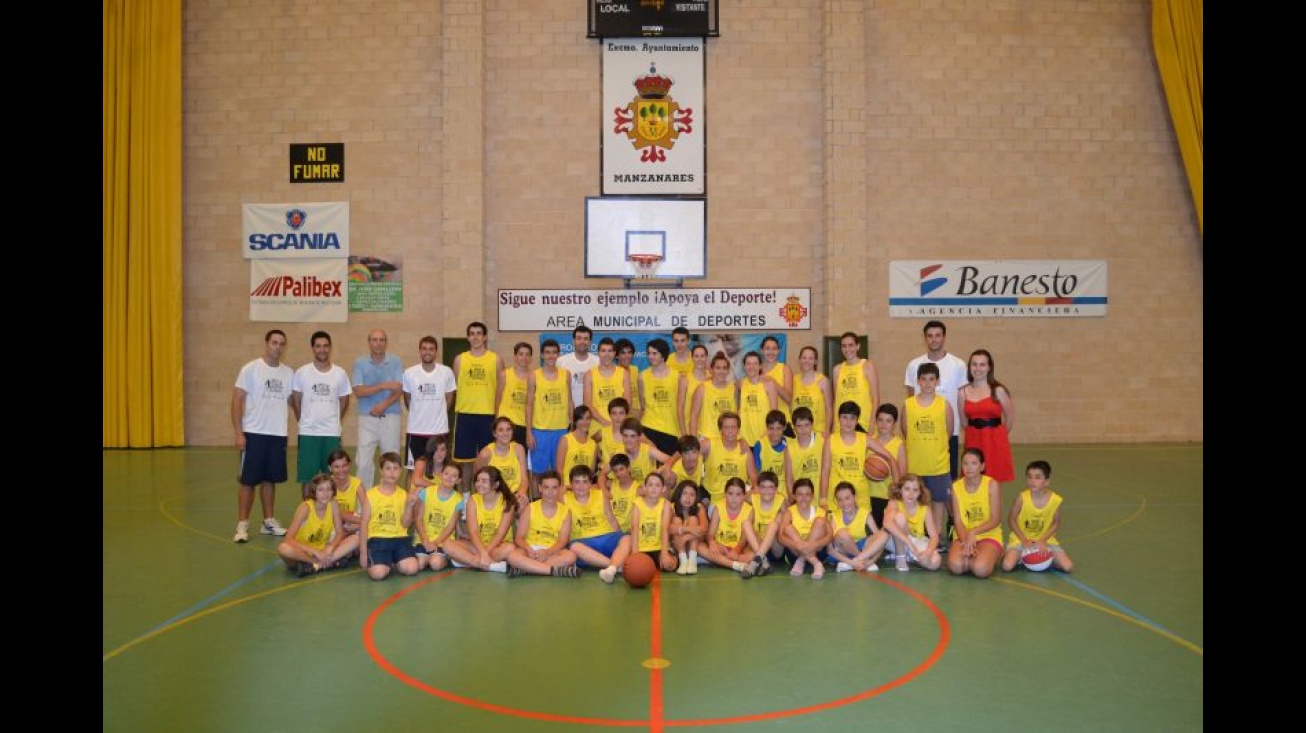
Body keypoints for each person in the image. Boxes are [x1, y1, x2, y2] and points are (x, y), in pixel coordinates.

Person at [231, 329, 294, 542]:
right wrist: (239, 433)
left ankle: (268, 521)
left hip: (277, 434)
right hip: (254, 433)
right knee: (248, 481)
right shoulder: (251, 369)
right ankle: (242, 525)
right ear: (266, 343)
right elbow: (237, 399)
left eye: (282, 343)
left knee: (270, 480)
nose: (278, 346)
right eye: (274, 342)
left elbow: (294, 402)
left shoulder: (288, 373)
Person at [903, 321, 968, 479]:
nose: (934, 339)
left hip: (948, 434)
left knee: (948, 482)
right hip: (920, 435)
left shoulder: (958, 365)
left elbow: (962, 399)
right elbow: (910, 399)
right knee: (918, 484)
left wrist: (964, 426)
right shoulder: (913, 365)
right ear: (925, 338)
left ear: (944, 337)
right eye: (930, 336)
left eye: (938, 335)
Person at [290, 330, 352, 489]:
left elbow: (344, 399)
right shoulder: (302, 372)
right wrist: (302, 420)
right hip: (308, 433)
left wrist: (336, 420)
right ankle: (308, 512)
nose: (322, 349)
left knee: (333, 477)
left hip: (331, 432)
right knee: (307, 479)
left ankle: (332, 514)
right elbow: (296, 399)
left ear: (330, 348)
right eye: (318, 346)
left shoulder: (340, 373)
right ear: (313, 348)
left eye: (325, 346)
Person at [904, 362, 956, 549]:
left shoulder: (944, 405)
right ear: (918, 381)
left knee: (938, 501)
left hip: (938, 464)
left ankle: (936, 535)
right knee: (915, 501)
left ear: (937, 381)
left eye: (931, 379)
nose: (927, 383)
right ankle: (917, 535)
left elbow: (948, 431)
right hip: (916, 465)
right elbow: (905, 431)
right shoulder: (908, 405)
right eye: (923, 379)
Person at [451, 322, 505, 488]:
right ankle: (467, 497)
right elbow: (453, 388)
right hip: (465, 415)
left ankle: (487, 494)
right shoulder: (460, 359)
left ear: (485, 337)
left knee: (488, 459)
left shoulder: (496, 359)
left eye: (479, 333)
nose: (475, 337)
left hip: (487, 416)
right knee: (465, 461)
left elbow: (501, 389)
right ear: (468, 337)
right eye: (472, 333)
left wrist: (498, 416)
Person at [352, 329, 405, 491]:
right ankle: (363, 506)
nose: (378, 343)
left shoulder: (396, 362)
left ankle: (388, 501)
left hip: (390, 417)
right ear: (369, 343)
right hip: (366, 419)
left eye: (382, 340)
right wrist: (383, 385)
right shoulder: (359, 363)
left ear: (386, 342)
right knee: (363, 463)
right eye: (374, 340)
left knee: (391, 463)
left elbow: (398, 388)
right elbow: (359, 391)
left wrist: (384, 404)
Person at [822, 401, 897, 513]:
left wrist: (896, 492)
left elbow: (890, 458)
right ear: (838, 419)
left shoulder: (865, 439)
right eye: (844, 417)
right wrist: (823, 499)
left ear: (857, 420)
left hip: (860, 499)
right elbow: (825, 471)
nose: (848, 422)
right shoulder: (830, 440)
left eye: (852, 418)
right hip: (837, 499)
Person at [357, 452, 422, 580]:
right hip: (378, 540)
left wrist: (409, 506)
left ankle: (393, 560)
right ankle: (385, 562)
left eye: (395, 468)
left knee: (412, 569)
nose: (392, 473)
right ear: (381, 471)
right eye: (388, 468)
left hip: (400, 539)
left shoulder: (403, 495)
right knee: (378, 574)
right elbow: (363, 524)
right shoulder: (371, 495)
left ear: (400, 471)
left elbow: (405, 524)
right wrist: (363, 552)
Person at [505, 470, 582, 578]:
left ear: (559, 489)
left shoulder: (566, 511)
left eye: (554, 488)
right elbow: (519, 538)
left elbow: (562, 541)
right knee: (512, 556)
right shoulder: (530, 508)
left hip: (551, 551)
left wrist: (547, 552)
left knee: (571, 556)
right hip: (530, 550)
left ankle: (526, 569)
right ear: (540, 488)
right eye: (546, 487)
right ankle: (554, 571)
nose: (550, 492)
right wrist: (528, 549)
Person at [278, 472, 356, 576]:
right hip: (303, 552)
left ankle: (315, 566)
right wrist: (315, 552)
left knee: (356, 539)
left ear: (333, 491)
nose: (325, 493)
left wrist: (331, 547)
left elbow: (339, 533)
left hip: (323, 550)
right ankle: (321, 562)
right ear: (314, 491)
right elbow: (288, 539)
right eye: (321, 489)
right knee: (283, 549)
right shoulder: (305, 508)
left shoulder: (333, 504)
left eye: (329, 489)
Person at [1001, 460, 1073, 572]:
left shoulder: (1055, 500)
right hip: (1021, 539)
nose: (1032, 481)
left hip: (1046, 540)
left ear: (1047, 481)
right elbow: (1011, 519)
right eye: (1029, 477)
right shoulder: (1021, 498)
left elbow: (1056, 523)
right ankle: (1013, 553)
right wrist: (1024, 540)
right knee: (1007, 566)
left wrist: (1043, 540)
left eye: (1037, 477)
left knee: (1068, 567)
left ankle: (1046, 556)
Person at [441, 465, 515, 574]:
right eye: (478, 480)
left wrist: (486, 552)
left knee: (509, 548)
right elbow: (473, 532)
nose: (479, 484)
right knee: (447, 544)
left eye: (484, 481)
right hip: (477, 545)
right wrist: (482, 552)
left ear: (495, 484)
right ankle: (491, 566)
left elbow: (500, 534)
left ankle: (466, 560)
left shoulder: (507, 502)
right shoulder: (473, 500)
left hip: (498, 545)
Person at [564, 465, 632, 584]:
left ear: (591, 483)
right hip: (584, 543)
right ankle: (614, 566)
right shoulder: (564, 498)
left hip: (607, 537)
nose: (581, 486)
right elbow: (554, 488)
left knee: (627, 538)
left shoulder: (600, 495)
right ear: (571, 484)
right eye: (577, 482)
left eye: (585, 482)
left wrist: (620, 536)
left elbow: (611, 519)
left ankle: (611, 569)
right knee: (573, 547)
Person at [958, 349, 1016, 483]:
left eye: (982, 364)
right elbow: (963, 422)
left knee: (994, 482)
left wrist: (998, 435)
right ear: (969, 367)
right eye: (974, 364)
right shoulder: (962, 392)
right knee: (972, 481)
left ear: (989, 367)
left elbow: (1010, 418)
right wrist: (975, 432)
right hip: (973, 440)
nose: (978, 368)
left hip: (994, 441)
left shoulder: (999, 390)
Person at [947, 448, 1003, 579]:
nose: (969, 467)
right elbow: (958, 521)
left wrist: (974, 532)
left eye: (974, 463)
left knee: (980, 569)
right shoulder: (956, 486)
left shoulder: (991, 484)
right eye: (965, 463)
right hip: (963, 535)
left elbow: (995, 519)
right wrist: (966, 542)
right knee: (956, 567)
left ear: (982, 466)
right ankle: (975, 557)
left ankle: (994, 552)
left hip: (988, 534)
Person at [402, 335, 456, 470]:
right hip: (416, 431)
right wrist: (419, 412)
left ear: (436, 351)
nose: (427, 352)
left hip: (439, 431)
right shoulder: (409, 373)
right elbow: (408, 399)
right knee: (413, 470)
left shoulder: (446, 372)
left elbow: (449, 398)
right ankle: (412, 493)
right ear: (420, 351)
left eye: (431, 349)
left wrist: (439, 412)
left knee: (440, 469)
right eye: (424, 348)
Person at [525, 338, 572, 489]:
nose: (551, 356)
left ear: (558, 354)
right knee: (538, 473)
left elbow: (570, 400)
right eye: (547, 352)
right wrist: (529, 432)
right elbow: (529, 404)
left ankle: (558, 504)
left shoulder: (566, 374)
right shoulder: (534, 375)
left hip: (561, 430)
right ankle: (536, 504)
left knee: (560, 471)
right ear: (542, 355)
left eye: (554, 352)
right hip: (540, 431)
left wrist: (573, 425)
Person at [699, 477, 760, 578]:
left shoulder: (749, 510)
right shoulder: (718, 508)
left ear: (744, 496)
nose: (734, 498)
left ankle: (719, 561)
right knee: (699, 547)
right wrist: (712, 542)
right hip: (721, 548)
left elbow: (744, 539)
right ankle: (735, 565)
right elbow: (710, 534)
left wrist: (737, 550)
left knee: (753, 555)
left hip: (739, 549)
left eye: (738, 494)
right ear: (725, 494)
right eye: (730, 494)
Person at [882, 473, 943, 572]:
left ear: (920, 493)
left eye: (915, 490)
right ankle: (900, 557)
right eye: (907, 489)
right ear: (900, 490)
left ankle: (909, 556)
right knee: (899, 518)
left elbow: (934, 536)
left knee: (935, 563)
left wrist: (928, 552)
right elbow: (887, 523)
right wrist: (908, 543)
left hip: (916, 540)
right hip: (894, 540)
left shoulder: (925, 509)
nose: (911, 494)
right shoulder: (894, 503)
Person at [411, 462, 465, 572]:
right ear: (441, 475)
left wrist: (435, 543)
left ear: (459, 480)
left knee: (435, 564)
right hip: (423, 539)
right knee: (419, 564)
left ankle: (447, 559)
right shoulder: (427, 492)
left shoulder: (458, 499)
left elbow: (450, 527)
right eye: (446, 474)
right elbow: (418, 518)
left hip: (443, 541)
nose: (449, 478)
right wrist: (425, 540)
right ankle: (427, 557)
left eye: (454, 476)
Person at [825, 481, 886, 572]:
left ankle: (856, 563)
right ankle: (857, 562)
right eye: (840, 500)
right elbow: (829, 550)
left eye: (847, 498)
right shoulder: (833, 516)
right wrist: (854, 563)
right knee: (843, 533)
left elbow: (880, 544)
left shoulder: (865, 513)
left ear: (855, 497)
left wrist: (872, 561)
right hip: (841, 554)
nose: (844, 503)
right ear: (836, 502)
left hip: (862, 551)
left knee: (883, 534)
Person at [639, 338, 685, 456]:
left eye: (655, 353)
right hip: (648, 427)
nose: (651, 357)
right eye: (649, 353)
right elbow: (643, 404)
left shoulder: (677, 377)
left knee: (668, 470)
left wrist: (683, 432)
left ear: (663, 354)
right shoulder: (642, 376)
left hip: (671, 430)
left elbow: (680, 407)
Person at [699, 411, 757, 506]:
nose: (730, 430)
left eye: (733, 427)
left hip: (739, 500)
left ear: (738, 430)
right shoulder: (708, 445)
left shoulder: (745, 450)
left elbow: (754, 479)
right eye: (726, 427)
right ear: (720, 430)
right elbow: (687, 450)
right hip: (715, 500)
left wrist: (753, 491)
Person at [778, 478, 831, 579]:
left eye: (807, 494)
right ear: (794, 496)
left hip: (818, 552)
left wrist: (814, 545)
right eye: (800, 494)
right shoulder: (789, 512)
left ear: (812, 496)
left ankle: (802, 559)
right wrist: (799, 546)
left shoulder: (820, 511)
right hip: (795, 554)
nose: (804, 498)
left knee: (820, 521)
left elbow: (829, 535)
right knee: (787, 528)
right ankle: (816, 563)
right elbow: (780, 537)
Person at [473, 416, 530, 504]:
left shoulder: (519, 449)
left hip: (514, 494)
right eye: (501, 430)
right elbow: (477, 479)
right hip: (494, 494)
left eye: (508, 429)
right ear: (494, 433)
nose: (505, 433)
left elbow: (524, 478)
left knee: (523, 502)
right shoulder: (486, 454)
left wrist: (522, 492)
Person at [868, 403, 907, 529]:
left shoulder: (899, 444)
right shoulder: (869, 441)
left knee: (886, 532)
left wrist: (896, 498)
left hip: (888, 497)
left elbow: (902, 476)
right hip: (868, 496)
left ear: (894, 423)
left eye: (888, 421)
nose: (884, 424)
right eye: (880, 420)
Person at [831, 331, 879, 433]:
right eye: (844, 346)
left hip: (863, 425)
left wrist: (871, 427)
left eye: (851, 345)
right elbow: (836, 400)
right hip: (842, 426)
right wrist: (834, 426)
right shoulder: (837, 370)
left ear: (857, 346)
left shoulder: (867, 366)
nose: (847, 349)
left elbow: (876, 400)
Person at [628, 471, 676, 572]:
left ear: (663, 489)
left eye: (658, 485)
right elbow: (634, 529)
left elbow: (665, 529)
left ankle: (652, 564)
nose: (654, 488)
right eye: (650, 485)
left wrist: (664, 553)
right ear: (644, 488)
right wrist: (635, 555)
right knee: (636, 569)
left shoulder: (666, 504)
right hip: (641, 548)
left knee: (671, 565)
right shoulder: (637, 503)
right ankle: (647, 564)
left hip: (658, 547)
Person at [584, 337, 631, 437]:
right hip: (597, 426)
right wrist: (605, 423)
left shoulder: (624, 373)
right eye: (603, 351)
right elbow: (587, 404)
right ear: (598, 353)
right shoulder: (589, 374)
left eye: (610, 351)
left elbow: (628, 403)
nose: (606, 354)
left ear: (614, 353)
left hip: (619, 427)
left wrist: (616, 424)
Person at [690, 352, 739, 440]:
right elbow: (694, 416)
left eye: (724, 368)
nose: (721, 371)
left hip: (728, 439)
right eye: (718, 368)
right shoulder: (702, 388)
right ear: (712, 370)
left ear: (728, 371)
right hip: (706, 438)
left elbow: (736, 414)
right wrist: (693, 440)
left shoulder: (733, 388)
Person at [737, 351, 779, 448]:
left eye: (755, 364)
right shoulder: (741, 384)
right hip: (744, 440)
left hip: (764, 438)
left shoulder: (769, 384)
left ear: (760, 366)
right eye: (748, 364)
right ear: (744, 366)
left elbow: (774, 414)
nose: (751, 367)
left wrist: (768, 434)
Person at [748, 471, 786, 575]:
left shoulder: (781, 500)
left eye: (771, 487)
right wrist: (751, 490)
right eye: (763, 487)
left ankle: (758, 559)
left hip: (775, 549)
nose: (767, 490)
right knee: (746, 523)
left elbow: (785, 524)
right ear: (758, 488)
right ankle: (762, 561)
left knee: (774, 524)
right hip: (758, 545)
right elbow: (738, 498)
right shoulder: (753, 498)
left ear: (776, 489)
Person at [668, 479, 709, 575]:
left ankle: (692, 560)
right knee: (676, 521)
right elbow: (668, 528)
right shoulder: (671, 507)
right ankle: (683, 561)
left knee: (693, 519)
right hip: (677, 546)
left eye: (692, 495)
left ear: (696, 497)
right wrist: (688, 529)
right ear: (679, 495)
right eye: (684, 494)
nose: (688, 498)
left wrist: (686, 537)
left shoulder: (699, 507)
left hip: (693, 546)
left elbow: (704, 528)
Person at [496, 341, 533, 446]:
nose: (524, 357)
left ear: (530, 358)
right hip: (507, 425)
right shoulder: (504, 375)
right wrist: (497, 421)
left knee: (521, 457)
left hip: (525, 425)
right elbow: (497, 399)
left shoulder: (534, 377)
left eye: (527, 354)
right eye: (521, 354)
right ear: (515, 356)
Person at [784, 406, 824, 504]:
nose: (803, 429)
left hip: (820, 498)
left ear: (812, 425)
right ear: (793, 427)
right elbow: (789, 478)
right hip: (802, 500)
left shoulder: (822, 440)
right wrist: (793, 499)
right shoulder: (789, 448)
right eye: (799, 426)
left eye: (806, 425)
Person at [326, 447, 364, 545]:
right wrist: (362, 523)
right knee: (339, 513)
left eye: (344, 465)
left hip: (350, 522)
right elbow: (330, 514)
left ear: (349, 465)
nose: (341, 470)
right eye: (336, 467)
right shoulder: (327, 484)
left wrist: (356, 525)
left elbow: (367, 507)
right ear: (330, 468)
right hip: (331, 523)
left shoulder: (356, 483)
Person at [556, 325, 597, 416]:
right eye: (579, 338)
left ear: (590, 342)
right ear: (573, 341)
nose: (582, 341)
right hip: (567, 416)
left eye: (586, 339)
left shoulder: (598, 362)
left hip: (592, 417)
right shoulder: (561, 362)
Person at [791, 345, 833, 435]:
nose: (807, 361)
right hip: (798, 432)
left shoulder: (823, 380)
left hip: (818, 432)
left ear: (815, 361)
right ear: (800, 360)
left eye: (810, 358)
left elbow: (829, 408)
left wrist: (827, 429)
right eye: (804, 358)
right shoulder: (794, 380)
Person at [599, 452, 640, 533]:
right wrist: (603, 489)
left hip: (626, 533)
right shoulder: (610, 484)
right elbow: (598, 480)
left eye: (621, 469)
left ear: (629, 468)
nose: (619, 474)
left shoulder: (639, 489)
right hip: (607, 531)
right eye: (615, 471)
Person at [556, 405, 599, 484]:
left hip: (585, 489)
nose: (585, 422)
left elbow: (591, 472)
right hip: (568, 488)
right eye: (581, 419)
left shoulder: (594, 445)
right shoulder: (565, 440)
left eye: (588, 418)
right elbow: (559, 469)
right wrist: (562, 487)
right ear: (575, 421)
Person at [753, 409, 789, 498]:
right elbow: (757, 473)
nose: (775, 432)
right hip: (766, 493)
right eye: (771, 428)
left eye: (778, 428)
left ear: (784, 427)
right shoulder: (759, 445)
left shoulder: (791, 444)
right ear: (767, 427)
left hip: (786, 493)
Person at [759, 335, 793, 427]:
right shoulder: (756, 369)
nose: (771, 352)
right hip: (761, 419)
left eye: (774, 348)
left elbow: (789, 399)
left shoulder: (785, 369)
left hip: (781, 421)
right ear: (761, 350)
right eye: (767, 348)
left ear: (778, 351)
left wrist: (773, 383)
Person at [681, 343, 710, 436]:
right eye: (696, 356)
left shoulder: (712, 378)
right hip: (690, 430)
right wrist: (684, 433)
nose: (700, 359)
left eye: (702, 356)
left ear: (706, 357)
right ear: (692, 358)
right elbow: (679, 409)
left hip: (708, 431)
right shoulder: (685, 379)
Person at [614, 338, 641, 416]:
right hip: (623, 416)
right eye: (623, 353)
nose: (627, 356)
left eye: (629, 352)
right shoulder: (614, 373)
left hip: (638, 415)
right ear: (616, 356)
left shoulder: (635, 370)